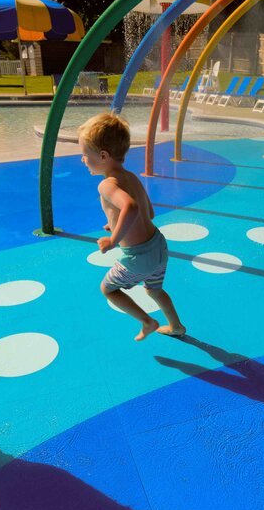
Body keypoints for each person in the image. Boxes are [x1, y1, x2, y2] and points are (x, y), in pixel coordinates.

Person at [79, 112, 185, 341]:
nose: (82, 160)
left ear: (103, 155)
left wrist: (113, 240)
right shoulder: (131, 177)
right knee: (154, 289)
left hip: (139, 257)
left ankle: (148, 321)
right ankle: (176, 325)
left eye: (84, 154)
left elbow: (131, 207)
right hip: (158, 246)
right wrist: (116, 224)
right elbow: (149, 212)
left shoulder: (107, 185)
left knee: (108, 289)